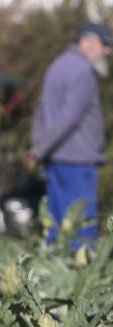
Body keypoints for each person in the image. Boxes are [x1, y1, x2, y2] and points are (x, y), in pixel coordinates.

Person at [30, 20, 112, 248]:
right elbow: (69, 117)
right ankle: (80, 281)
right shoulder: (83, 71)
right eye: (103, 43)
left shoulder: (56, 66)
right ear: (85, 41)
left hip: (55, 161)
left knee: (56, 226)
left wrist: (38, 147)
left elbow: (39, 110)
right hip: (77, 163)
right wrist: (40, 149)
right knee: (80, 230)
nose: (107, 50)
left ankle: (50, 279)